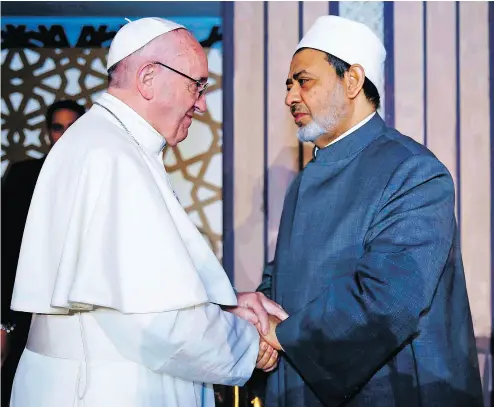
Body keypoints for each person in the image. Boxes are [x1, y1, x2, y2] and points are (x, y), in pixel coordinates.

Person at [9, 18, 286, 407]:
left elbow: (148, 289)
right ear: (148, 78)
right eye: (197, 85)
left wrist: (227, 306)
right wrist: (250, 342)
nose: (202, 104)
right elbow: (161, 324)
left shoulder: (107, 143)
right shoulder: (112, 156)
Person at [256, 15, 483, 407]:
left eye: (303, 80)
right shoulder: (304, 180)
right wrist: (258, 320)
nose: (290, 97)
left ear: (352, 81)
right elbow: (282, 276)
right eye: (289, 84)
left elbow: (388, 298)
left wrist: (280, 335)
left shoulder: (413, 170)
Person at [1, 99, 85, 406]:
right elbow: (6, 250)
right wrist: (3, 323)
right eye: (57, 127)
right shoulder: (24, 176)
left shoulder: (97, 176)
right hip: (27, 308)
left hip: (82, 310)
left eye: (72, 127)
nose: (63, 135)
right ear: (47, 132)